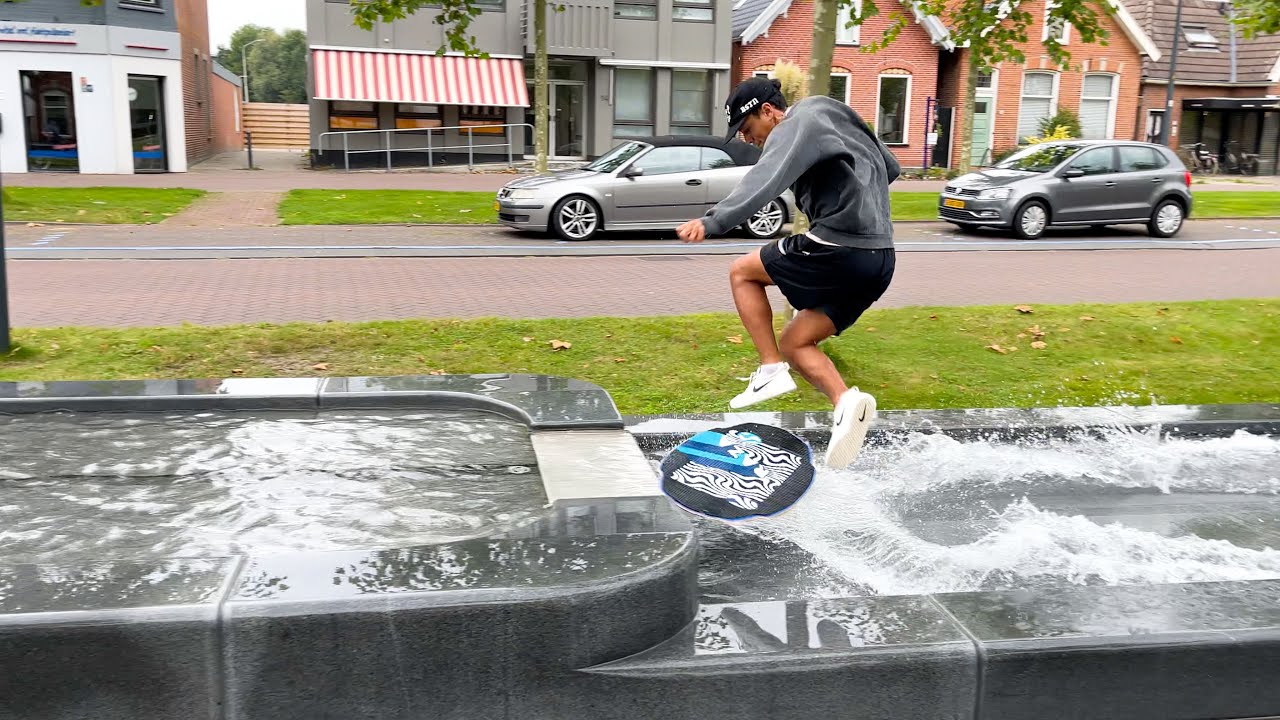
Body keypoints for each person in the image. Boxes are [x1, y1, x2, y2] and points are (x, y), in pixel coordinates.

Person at [676, 77, 899, 468]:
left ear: (768, 111)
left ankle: (769, 370)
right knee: (796, 341)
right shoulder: (832, 114)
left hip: (841, 244)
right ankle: (847, 404)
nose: (747, 139)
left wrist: (714, 221)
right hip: (880, 257)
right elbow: (890, 165)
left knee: (742, 273)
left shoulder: (797, 122)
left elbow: (765, 179)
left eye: (747, 129)